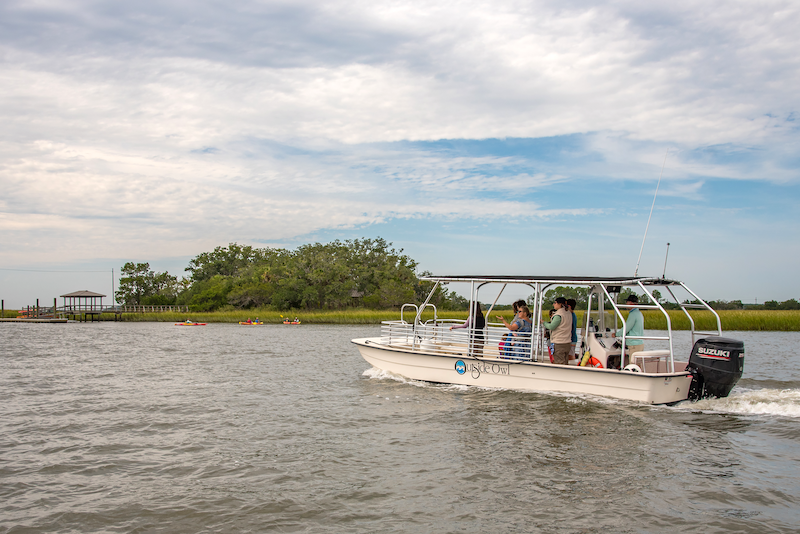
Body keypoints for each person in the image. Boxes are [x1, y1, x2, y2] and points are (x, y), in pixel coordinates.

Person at [612, 294, 644, 360]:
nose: (626, 304)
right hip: (640, 343)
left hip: (634, 345)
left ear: (631, 303)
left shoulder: (633, 314)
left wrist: (616, 334)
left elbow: (626, 328)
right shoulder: (639, 313)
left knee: (632, 364)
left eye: (627, 302)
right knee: (637, 364)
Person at [542, 297, 572, 364]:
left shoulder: (558, 315)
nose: (553, 304)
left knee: (559, 363)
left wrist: (544, 322)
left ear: (560, 304)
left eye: (555, 303)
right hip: (567, 342)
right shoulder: (568, 313)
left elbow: (552, 326)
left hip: (559, 342)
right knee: (565, 362)